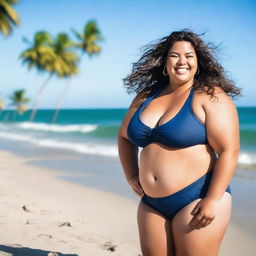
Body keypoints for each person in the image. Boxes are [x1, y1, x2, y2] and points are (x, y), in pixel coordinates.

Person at [117, 29, 240, 256]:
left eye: (189, 56)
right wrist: (131, 175)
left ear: (198, 62)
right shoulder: (146, 96)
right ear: (165, 61)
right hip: (152, 203)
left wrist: (212, 200)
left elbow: (229, 151)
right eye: (175, 55)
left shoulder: (210, 96)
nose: (182, 61)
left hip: (197, 197)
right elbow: (124, 137)